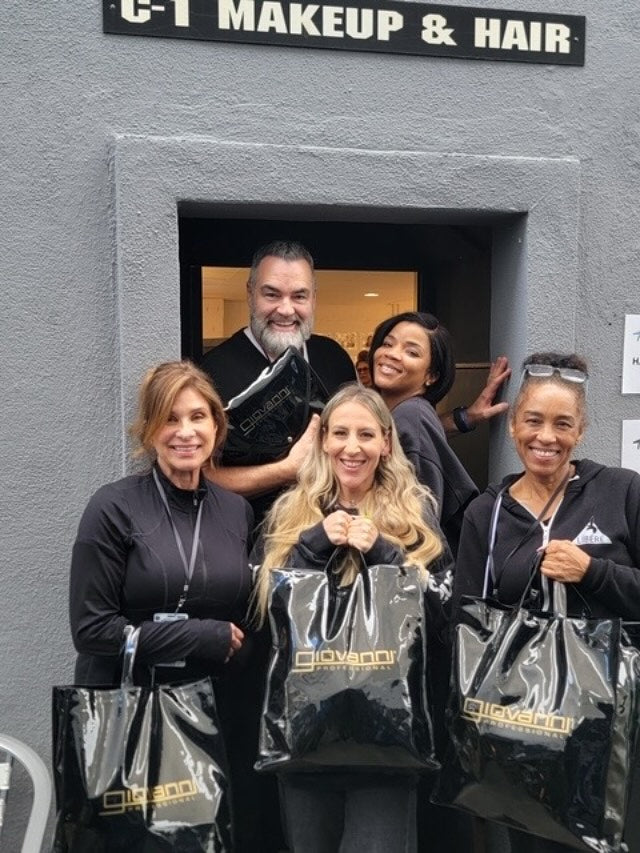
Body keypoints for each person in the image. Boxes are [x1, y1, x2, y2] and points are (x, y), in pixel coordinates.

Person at [68, 361, 261, 851]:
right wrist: (199, 635)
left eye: (198, 417)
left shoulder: (236, 510)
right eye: (170, 419)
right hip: (128, 711)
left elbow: (245, 614)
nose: (185, 432)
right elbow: (91, 630)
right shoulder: (112, 507)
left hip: (212, 719)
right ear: (148, 429)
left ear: (217, 426)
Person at [452, 352, 640, 852]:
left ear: (580, 431)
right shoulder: (486, 513)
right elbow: (466, 622)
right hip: (525, 723)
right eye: (533, 420)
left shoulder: (622, 492)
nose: (546, 437)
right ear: (513, 424)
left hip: (610, 718)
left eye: (562, 424)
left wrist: (594, 572)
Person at [252, 383, 451, 853]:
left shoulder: (415, 513)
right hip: (306, 734)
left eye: (366, 434)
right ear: (323, 441)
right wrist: (309, 547)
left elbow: (444, 611)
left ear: (386, 442)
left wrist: (387, 554)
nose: (352, 447)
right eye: (340, 433)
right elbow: (264, 610)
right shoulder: (289, 512)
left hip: (386, 738)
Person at [200, 239, 357, 524]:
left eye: (299, 296)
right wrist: (288, 469)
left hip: (337, 541)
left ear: (313, 298)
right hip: (249, 544)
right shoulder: (211, 374)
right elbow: (201, 476)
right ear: (250, 294)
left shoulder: (335, 358)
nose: (286, 310)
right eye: (272, 295)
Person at [369, 311, 510, 556]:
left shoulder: (411, 416)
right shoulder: (402, 414)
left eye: (411, 352)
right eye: (388, 343)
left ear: (431, 376)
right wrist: (465, 418)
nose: (391, 354)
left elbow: (419, 522)